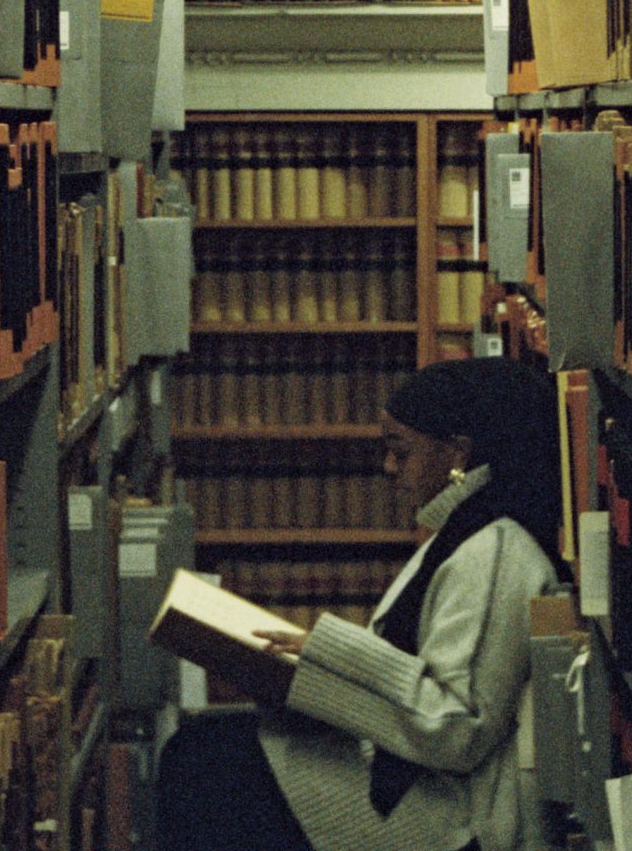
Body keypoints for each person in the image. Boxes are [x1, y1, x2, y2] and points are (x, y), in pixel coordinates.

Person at [156, 356, 566, 851]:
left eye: (401, 451)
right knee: (200, 748)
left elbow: (459, 728)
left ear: (458, 453)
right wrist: (305, 670)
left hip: (447, 812)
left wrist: (327, 661)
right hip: (400, 769)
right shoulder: (459, 533)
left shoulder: (497, 553)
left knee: (203, 768)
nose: (388, 468)